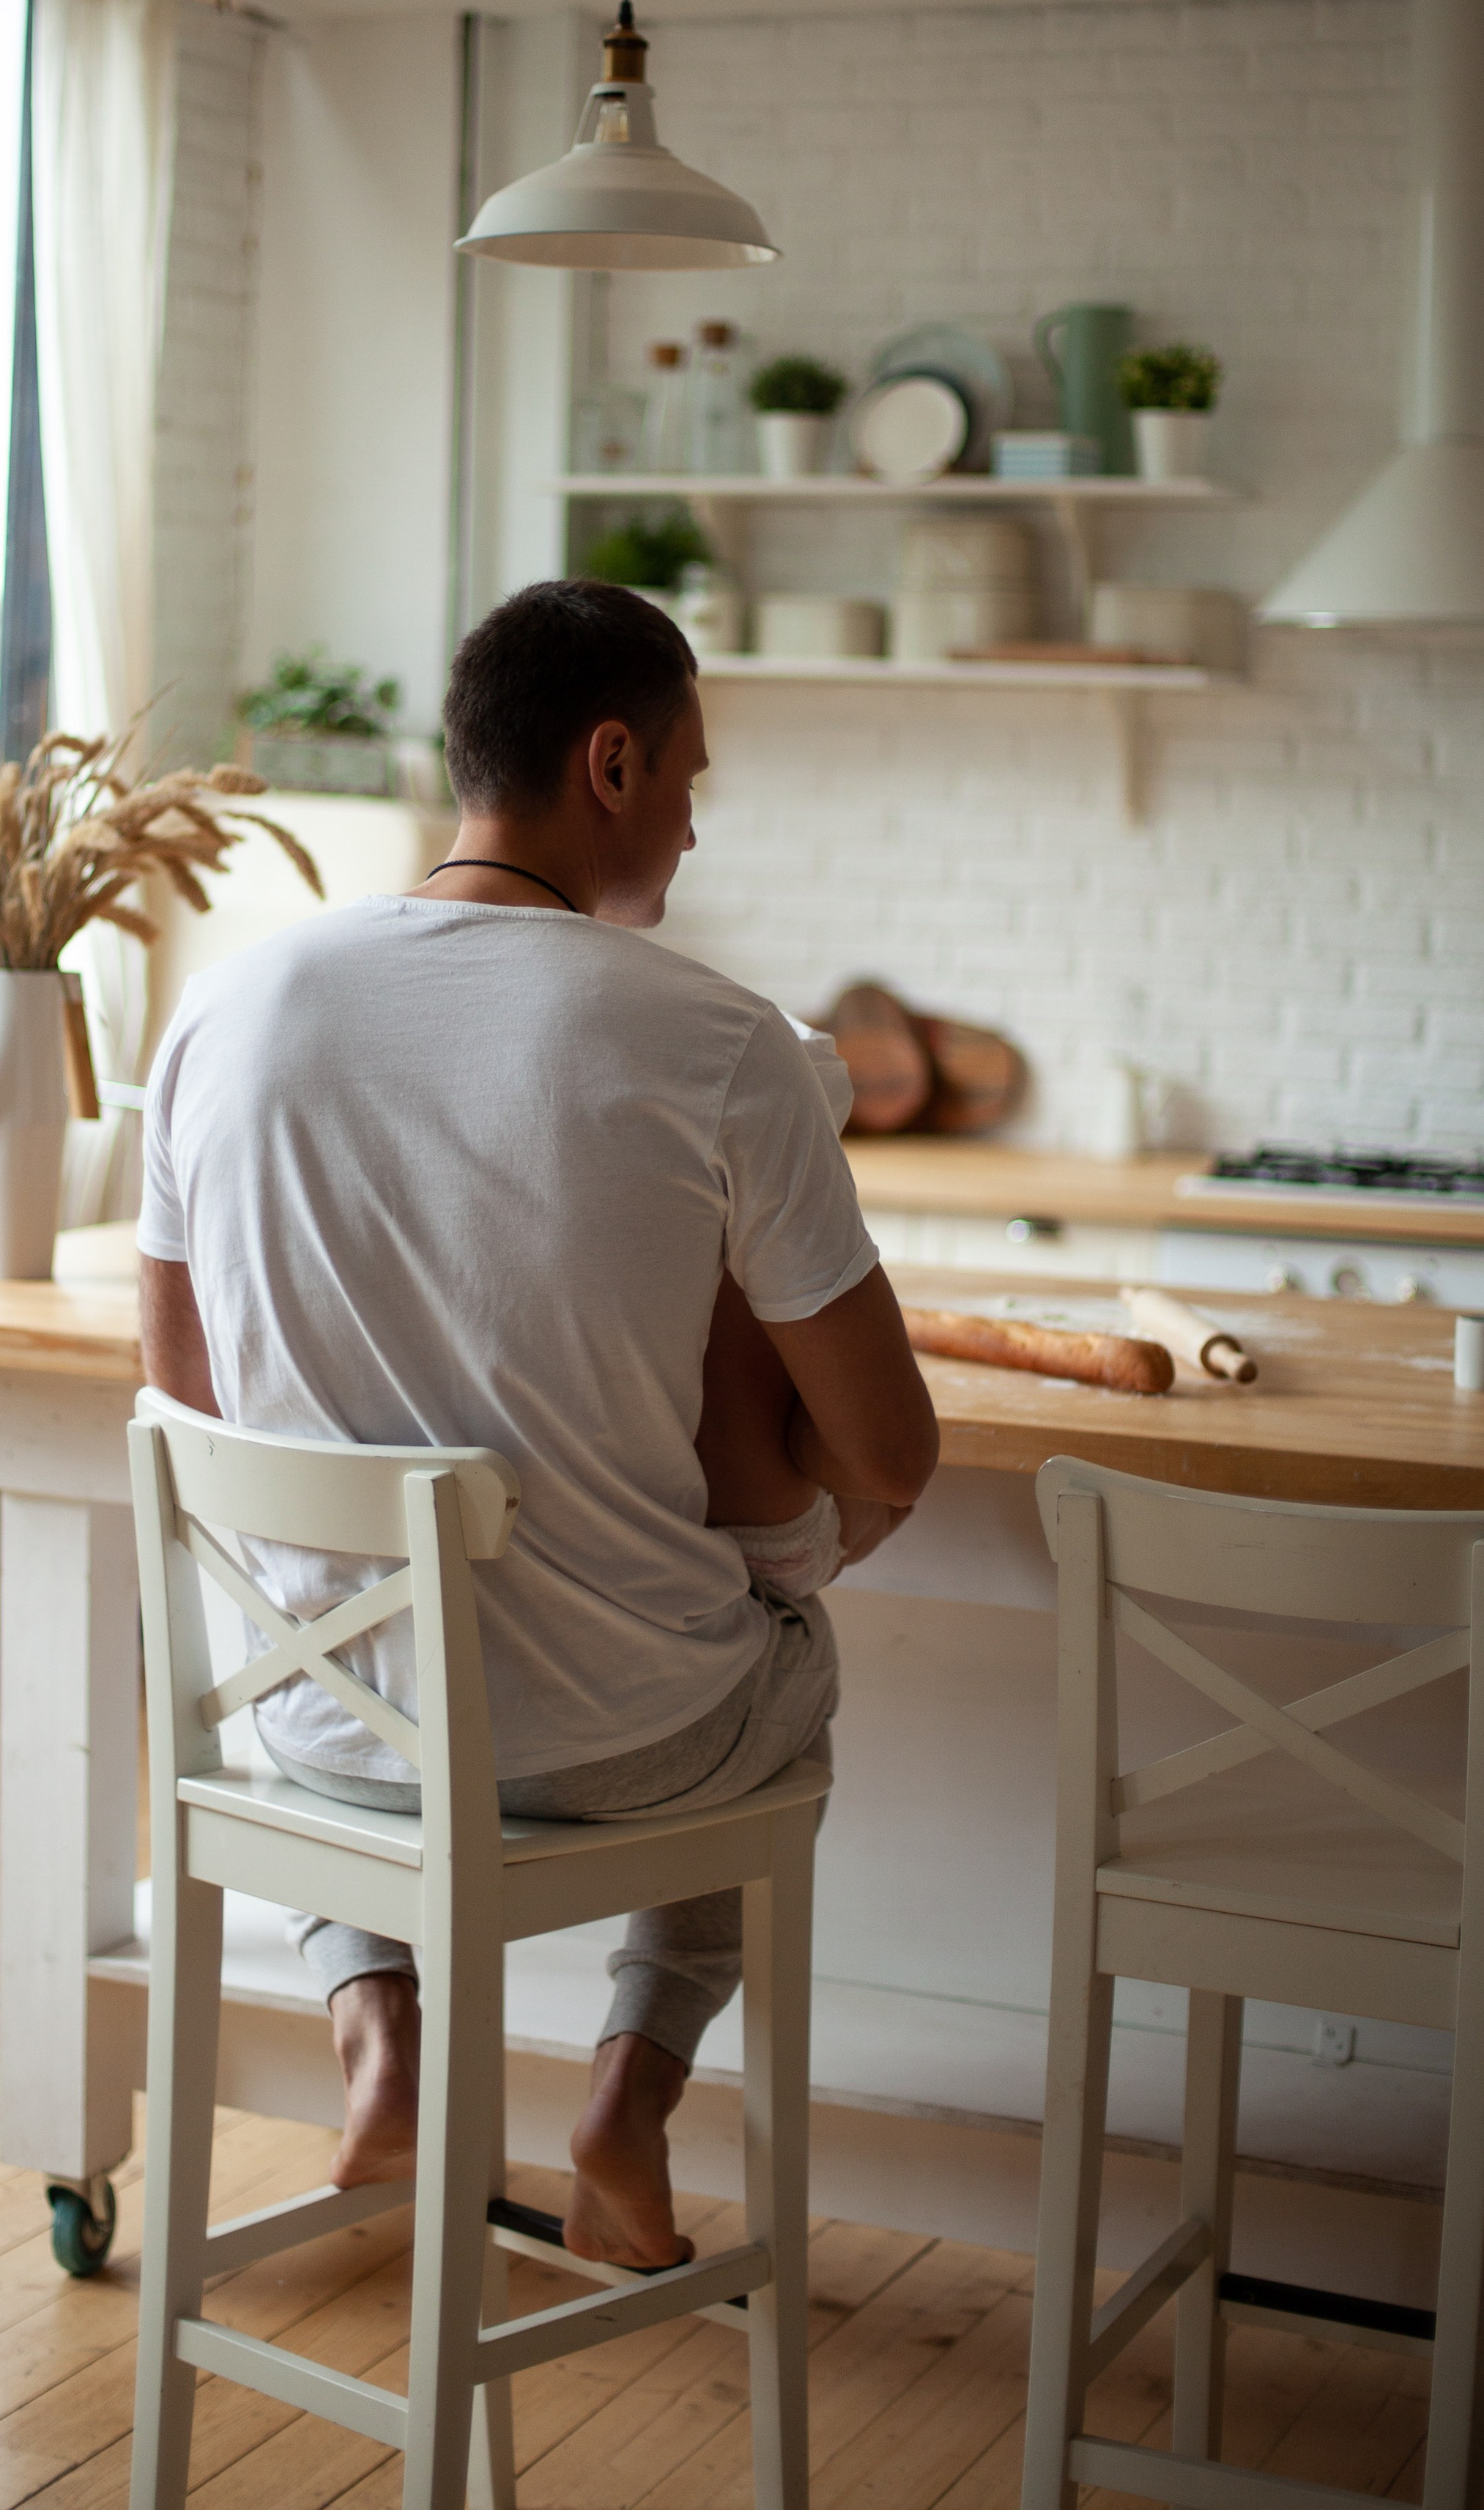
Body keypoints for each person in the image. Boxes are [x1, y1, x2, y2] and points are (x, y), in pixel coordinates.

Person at [138, 579, 938, 2269]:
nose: (694, 829)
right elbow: (889, 1456)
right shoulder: (725, 1043)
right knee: (782, 1658)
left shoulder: (222, 1007)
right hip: (621, 1743)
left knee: (310, 1658)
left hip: (324, 1735)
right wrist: (786, 1528)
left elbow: (186, 1393)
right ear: (611, 763)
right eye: (689, 781)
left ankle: (380, 2035)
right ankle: (626, 2100)